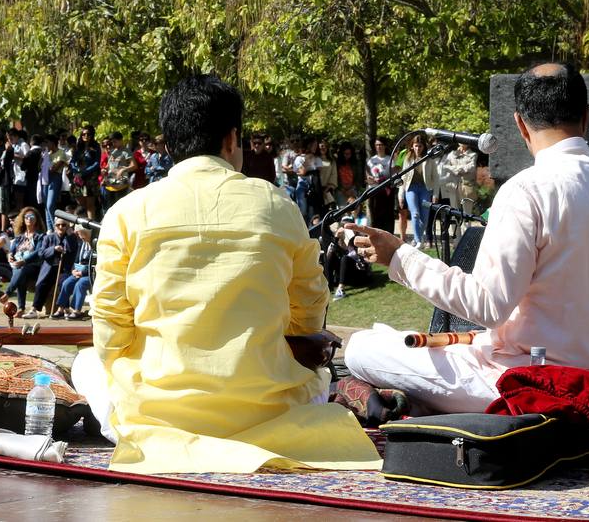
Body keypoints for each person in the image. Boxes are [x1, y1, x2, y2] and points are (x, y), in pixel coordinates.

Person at [74, 74, 380, 474]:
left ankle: (166, 438)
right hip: (271, 413)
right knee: (317, 376)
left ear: (168, 146)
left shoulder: (128, 212)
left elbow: (110, 330)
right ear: (233, 138)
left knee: (86, 364)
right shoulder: (278, 205)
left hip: (157, 416)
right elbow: (308, 314)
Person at [343, 63, 589, 411]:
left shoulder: (527, 190)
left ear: (520, 124)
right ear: (586, 116)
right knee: (426, 344)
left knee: (362, 347)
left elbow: (488, 306)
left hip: (536, 385)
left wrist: (399, 257)